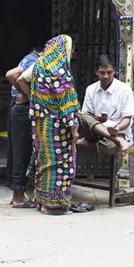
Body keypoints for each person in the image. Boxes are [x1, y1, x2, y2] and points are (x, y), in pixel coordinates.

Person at [16, 35, 81, 215]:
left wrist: (36, 100)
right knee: (59, 163)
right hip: (58, 125)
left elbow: (20, 79)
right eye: (71, 49)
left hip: (40, 123)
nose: (72, 52)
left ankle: (40, 201)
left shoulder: (39, 65)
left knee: (43, 161)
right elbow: (67, 103)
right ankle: (51, 204)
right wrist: (74, 130)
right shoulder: (60, 71)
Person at [76, 54, 134, 156]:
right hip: (96, 131)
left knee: (108, 147)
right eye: (102, 73)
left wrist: (117, 128)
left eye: (109, 72)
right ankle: (119, 141)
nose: (106, 76)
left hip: (118, 132)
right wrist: (97, 118)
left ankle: (86, 142)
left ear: (115, 71)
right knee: (83, 116)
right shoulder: (91, 89)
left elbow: (127, 119)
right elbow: (86, 117)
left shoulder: (124, 89)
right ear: (96, 72)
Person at [4, 47, 41, 208]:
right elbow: (11, 75)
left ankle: (17, 194)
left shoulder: (28, 58)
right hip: (22, 112)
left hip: (16, 111)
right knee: (22, 154)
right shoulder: (35, 60)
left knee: (16, 153)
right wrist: (30, 96)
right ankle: (18, 196)